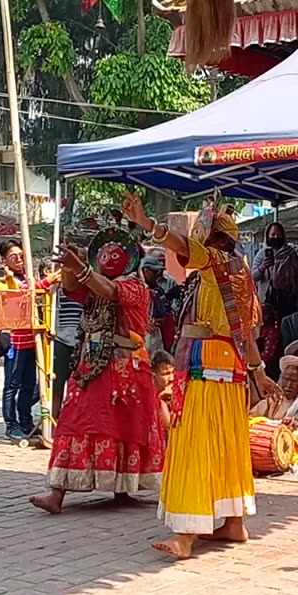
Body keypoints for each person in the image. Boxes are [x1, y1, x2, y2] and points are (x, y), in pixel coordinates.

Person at [121, 193, 280, 560]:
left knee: (195, 442)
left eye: (202, 235)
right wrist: (258, 373)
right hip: (231, 368)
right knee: (225, 443)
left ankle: (186, 534)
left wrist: (148, 225)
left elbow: (181, 245)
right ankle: (232, 522)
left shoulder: (216, 263)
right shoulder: (242, 276)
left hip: (205, 365)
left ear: (213, 239)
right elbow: (247, 335)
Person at [30, 230, 164, 512]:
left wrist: (79, 266)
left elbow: (107, 290)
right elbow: (70, 288)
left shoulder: (134, 287)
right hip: (93, 365)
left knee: (124, 428)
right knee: (76, 422)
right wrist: (70, 264)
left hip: (125, 367)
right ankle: (57, 493)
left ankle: (122, 489)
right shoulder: (92, 284)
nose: (106, 259)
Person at [0, 239, 41, 442]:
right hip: (15, 340)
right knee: (11, 384)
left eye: (22, 256)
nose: (19, 260)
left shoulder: (29, 276)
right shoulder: (3, 280)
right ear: (4, 260)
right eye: (14, 257)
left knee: (29, 384)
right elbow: (20, 296)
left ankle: (26, 421)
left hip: (32, 338)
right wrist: (46, 282)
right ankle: (11, 425)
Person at [248, 354, 298, 472]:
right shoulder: (275, 398)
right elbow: (253, 415)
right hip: (268, 441)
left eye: (293, 381)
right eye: (286, 379)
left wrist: (297, 422)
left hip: (292, 440)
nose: (288, 385)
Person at [51, 246, 88, 418]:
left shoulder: (90, 284)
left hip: (82, 339)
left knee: (78, 384)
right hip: (60, 339)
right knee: (57, 384)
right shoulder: (57, 286)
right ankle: (52, 420)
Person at [252, 222, 298, 318]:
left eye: (279, 234)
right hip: (267, 299)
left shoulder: (290, 253)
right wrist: (262, 267)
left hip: (287, 299)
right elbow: (253, 277)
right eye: (273, 234)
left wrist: (296, 296)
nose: (276, 237)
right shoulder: (262, 254)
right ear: (268, 236)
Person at [141, 255, 181, 355]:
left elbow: (164, 313)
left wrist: (159, 321)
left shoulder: (159, 291)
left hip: (155, 335)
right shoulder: (136, 289)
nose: (157, 275)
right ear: (145, 271)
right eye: (154, 272)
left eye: (158, 272)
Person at [152, 349, 175, 432]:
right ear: (153, 373)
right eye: (166, 374)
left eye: (173, 372)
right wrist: (161, 401)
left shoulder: (177, 392)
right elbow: (168, 427)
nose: (171, 378)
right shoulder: (149, 395)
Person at [257, 303, 282, 377]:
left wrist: (253, 362)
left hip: (265, 367)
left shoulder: (272, 331)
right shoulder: (256, 327)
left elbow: (268, 354)